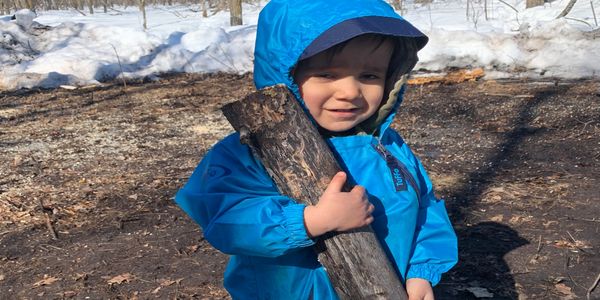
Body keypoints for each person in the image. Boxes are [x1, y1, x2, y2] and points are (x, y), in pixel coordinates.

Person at [175, 0, 458, 299]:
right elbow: (227, 220)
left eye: (370, 76)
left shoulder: (387, 145)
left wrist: (420, 272)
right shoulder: (250, 151)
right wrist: (310, 221)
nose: (350, 92)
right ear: (286, 74)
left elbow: (426, 210)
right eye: (327, 74)